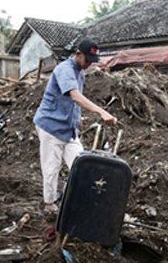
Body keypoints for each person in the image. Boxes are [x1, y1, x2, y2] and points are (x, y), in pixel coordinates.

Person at [33, 38, 118, 214]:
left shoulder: (80, 72)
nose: (88, 64)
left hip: (68, 129)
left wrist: (77, 119)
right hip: (50, 126)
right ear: (78, 54)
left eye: (91, 61)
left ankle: (80, 198)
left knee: (81, 164)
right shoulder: (64, 69)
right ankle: (49, 205)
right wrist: (101, 112)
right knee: (51, 167)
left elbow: (71, 102)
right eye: (87, 60)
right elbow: (75, 96)